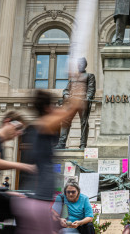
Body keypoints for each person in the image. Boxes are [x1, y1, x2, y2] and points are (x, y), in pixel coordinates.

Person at [12, 90, 83, 234]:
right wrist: (77, 84)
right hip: (39, 201)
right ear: (46, 108)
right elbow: (72, 109)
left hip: (35, 200)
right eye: (53, 105)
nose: (56, 109)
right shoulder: (45, 124)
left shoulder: (36, 127)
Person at [56, 57, 96, 149]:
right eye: (78, 63)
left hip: (82, 101)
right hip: (71, 102)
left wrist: (88, 98)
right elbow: (66, 89)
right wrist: (66, 95)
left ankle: (83, 144)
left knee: (84, 122)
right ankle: (61, 143)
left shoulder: (90, 76)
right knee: (65, 121)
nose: (80, 65)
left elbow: (91, 89)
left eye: (82, 63)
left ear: (85, 65)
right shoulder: (72, 77)